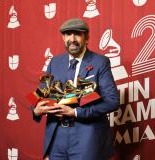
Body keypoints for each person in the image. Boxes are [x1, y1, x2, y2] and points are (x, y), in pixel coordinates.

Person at [32, 18, 119, 160]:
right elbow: (38, 94)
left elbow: (112, 101)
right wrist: (35, 109)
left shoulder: (100, 62)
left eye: (77, 34)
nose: (72, 39)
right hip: (57, 138)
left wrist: (76, 112)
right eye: (67, 34)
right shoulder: (55, 62)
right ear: (63, 37)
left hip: (87, 137)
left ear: (86, 37)